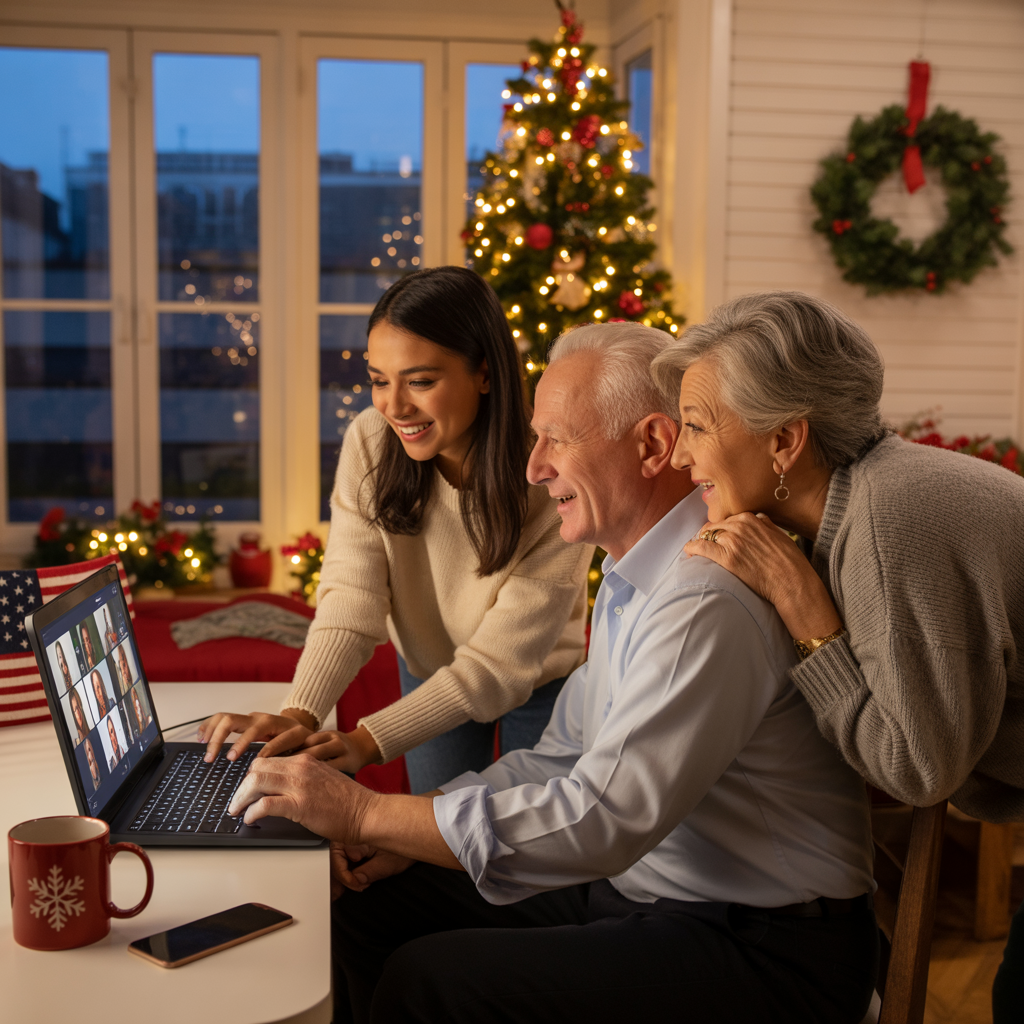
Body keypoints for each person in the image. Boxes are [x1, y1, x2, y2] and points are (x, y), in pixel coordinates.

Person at [228, 322, 878, 1024]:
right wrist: (400, 831)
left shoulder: (704, 596)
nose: (534, 468)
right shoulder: (635, 573)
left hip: (768, 947)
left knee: (431, 981)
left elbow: (604, 819)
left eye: (556, 440)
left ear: (652, 445)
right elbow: (562, 758)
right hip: (645, 891)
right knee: (365, 904)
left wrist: (365, 812)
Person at [648, 290, 1024, 1023]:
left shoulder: (889, 522)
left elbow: (918, 770)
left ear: (785, 441)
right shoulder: (867, 499)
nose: (682, 454)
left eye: (695, 425)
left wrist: (808, 616)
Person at [199, 267, 592, 792]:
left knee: (533, 836)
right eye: (379, 380)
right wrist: (300, 714)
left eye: (420, 381)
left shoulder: (550, 474)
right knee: (435, 831)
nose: (394, 406)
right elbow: (352, 597)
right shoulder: (370, 441)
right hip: (431, 667)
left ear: (484, 373)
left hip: (542, 678)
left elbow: (498, 666)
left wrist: (366, 741)